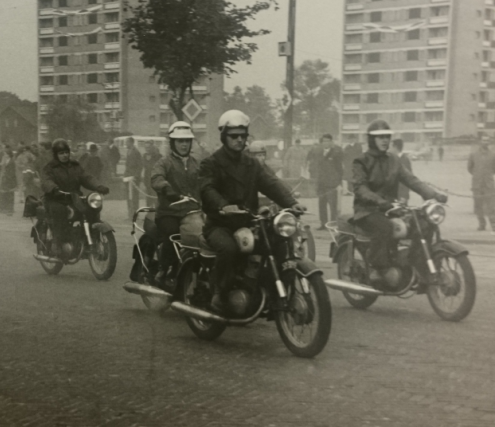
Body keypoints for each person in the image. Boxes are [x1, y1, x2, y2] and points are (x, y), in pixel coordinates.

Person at [199, 110, 305, 313]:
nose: (239, 140)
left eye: (243, 135)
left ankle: (270, 294)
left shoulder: (251, 164)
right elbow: (207, 189)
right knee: (229, 249)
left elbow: (271, 184)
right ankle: (219, 293)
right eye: (234, 136)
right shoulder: (212, 163)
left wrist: (291, 203)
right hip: (221, 224)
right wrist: (223, 205)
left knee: (276, 243)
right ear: (224, 136)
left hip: (248, 222)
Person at [351, 120, 447, 283]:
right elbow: (360, 188)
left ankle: (415, 262)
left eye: (387, 137)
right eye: (380, 137)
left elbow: (411, 180)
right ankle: (378, 269)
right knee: (385, 227)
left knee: (424, 224)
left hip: (391, 209)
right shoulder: (361, 161)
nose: (385, 140)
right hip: (367, 211)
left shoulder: (394, 160)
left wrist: (433, 195)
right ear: (371, 139)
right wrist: (379, 201)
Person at [131, 121, 201, 284]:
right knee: (172, 233)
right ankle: (163, 269)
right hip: (169, 212)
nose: (184, 144)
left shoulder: (196, 164)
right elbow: (156, 178)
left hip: (192, 212)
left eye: (187, 141)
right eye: (180, 141)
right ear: (173, 143)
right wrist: (167, 189)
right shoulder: (164, 162)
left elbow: (206, 181)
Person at [40, 138, 109, 256]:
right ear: (56, 154)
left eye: (66, 152)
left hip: (74, 198)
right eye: (61, 153)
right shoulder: (50, 167)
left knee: (91, 208)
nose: (64, 155)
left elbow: (86, 177)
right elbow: (46, 180)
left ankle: (90, 237)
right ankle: (58, 243)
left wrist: (98, 186)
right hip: (56, 198)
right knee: (60, 211)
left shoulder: (75, 166)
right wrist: (54, 188)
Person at [311, 134, 344, 230]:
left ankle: (333, 224)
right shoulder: (318, 153)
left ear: (331, 142)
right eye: (324, 141)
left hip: (332, 184)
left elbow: (340, 169)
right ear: (321, 143)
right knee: (322, 204)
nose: (326, 143)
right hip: (321, 184)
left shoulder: (336, 153)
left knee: (333, 205)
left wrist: (338, 182)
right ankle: (323, 224)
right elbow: (315, 167)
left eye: (328, 141)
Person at [468, 139, 495, 231]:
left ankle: (493, 224)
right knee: (478, 205)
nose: (485, 142)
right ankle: (481, 224)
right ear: (480, 142)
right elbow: (470, 168)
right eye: (483, 140)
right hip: (477, 185)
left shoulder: (493, 155)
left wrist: (487, 176)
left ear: (489, 143)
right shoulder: (473, 155)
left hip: (489, 185)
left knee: (491, 205)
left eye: (487, 140)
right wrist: (478, 175)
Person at [124, 137, 143, 219]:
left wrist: (136, 176)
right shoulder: (128, 151)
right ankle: (130, 214)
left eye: (127, 142)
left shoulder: (136, 152)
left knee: (135, 197)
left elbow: (140, 166)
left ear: (131, 142)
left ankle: (135, 214)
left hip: (134, 179)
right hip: (128, 177)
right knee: (129, 196)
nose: (125, 144)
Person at [390, 138, 413, 203]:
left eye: (391, 147)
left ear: (395, 147)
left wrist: (404, 196)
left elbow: (408, 179)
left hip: (401, 197)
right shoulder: (393, 159)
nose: (389, 149)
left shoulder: (405, 160)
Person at [0, 148, 17, 216]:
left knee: (10, 194)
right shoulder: (6, 160)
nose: (4, 155)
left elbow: (12, 171)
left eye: (5, 154)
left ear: (9, 154)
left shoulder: (12, 161)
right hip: (5, 179)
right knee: (5, 194)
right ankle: (6, 208)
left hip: (10, 179)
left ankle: (10, 209)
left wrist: (8, 176)